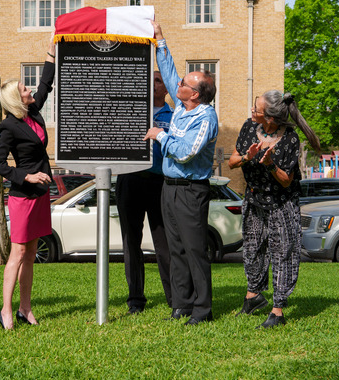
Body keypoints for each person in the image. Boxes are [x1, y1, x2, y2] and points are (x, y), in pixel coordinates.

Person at [144, 22, 218, 325]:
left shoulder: (205, 117)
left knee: (195, 250)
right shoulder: (181, 108)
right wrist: (160, 41)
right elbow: (171, 72)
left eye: (185, 84)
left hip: (190, 190)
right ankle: (181, 304)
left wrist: (159, 135)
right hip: (169, 187)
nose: (178, 85)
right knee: (175, 248)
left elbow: (187, 152)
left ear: (196, 94)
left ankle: (203, 310)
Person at [228, 91, 320, 328]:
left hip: (282, 203)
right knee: (252, 249)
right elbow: (232, 161)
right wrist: (247, 158)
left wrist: (269, 164)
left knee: (283, 253)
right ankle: (253, 296)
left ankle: (277, 310)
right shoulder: (249, 127)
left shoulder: (290, 139)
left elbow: (286, 180)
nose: (252, 111)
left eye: (256, 109)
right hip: (254, 199)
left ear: (269, 117)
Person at [0, 37, 56, 330]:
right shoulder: (8, 126)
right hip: (22, 196)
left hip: (41, 194)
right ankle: (5, 311)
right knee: (18, 252)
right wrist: (26, 175)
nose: (29, 90)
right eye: (23, 89)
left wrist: (51, 53)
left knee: (31, 253)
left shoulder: (33, 112)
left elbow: (45, 85)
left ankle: (24, 309)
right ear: (16, 99)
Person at [116, 71, 173, 314]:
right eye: (149, 79)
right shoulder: (131, 109)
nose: (152, 83)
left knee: (164, 245)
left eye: (158, 80)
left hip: (160, 182)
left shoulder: (175, 116)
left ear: (167, 89)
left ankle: (175, 299)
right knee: (131, 243)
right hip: (130, 181)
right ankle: (135, 300)